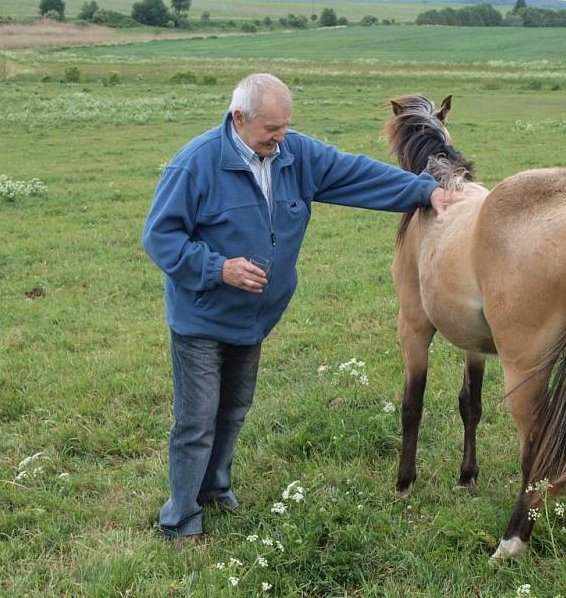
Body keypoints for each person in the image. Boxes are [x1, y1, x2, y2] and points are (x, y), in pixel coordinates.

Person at [142, 73, 468, 542]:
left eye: (285, 126)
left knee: (233, 409)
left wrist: (422, 190)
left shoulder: (294, 154)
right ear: (238, 118)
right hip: (202, 315)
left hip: (253, 317)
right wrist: (218, 269)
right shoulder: (196, 165)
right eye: (270, 129)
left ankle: (215, 489)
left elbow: (355, 173)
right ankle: (181, 518)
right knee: (196, 420)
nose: (280, 138)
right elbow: (160, 236)